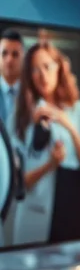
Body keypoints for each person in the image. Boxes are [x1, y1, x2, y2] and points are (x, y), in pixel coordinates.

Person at [10, 41, 80, 245]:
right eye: (35, 70)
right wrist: (49, 165)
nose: (42, 75)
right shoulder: (20, 117)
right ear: (29, 76)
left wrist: (67, 124)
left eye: (47, 66)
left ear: (59, 68)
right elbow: (16, 182)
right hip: (36, 216)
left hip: (74, 208)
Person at [0, 29, 24, 247]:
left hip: (23, 190)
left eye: (15, 54)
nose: (9, 59)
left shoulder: (33, 94)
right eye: (4, 53)